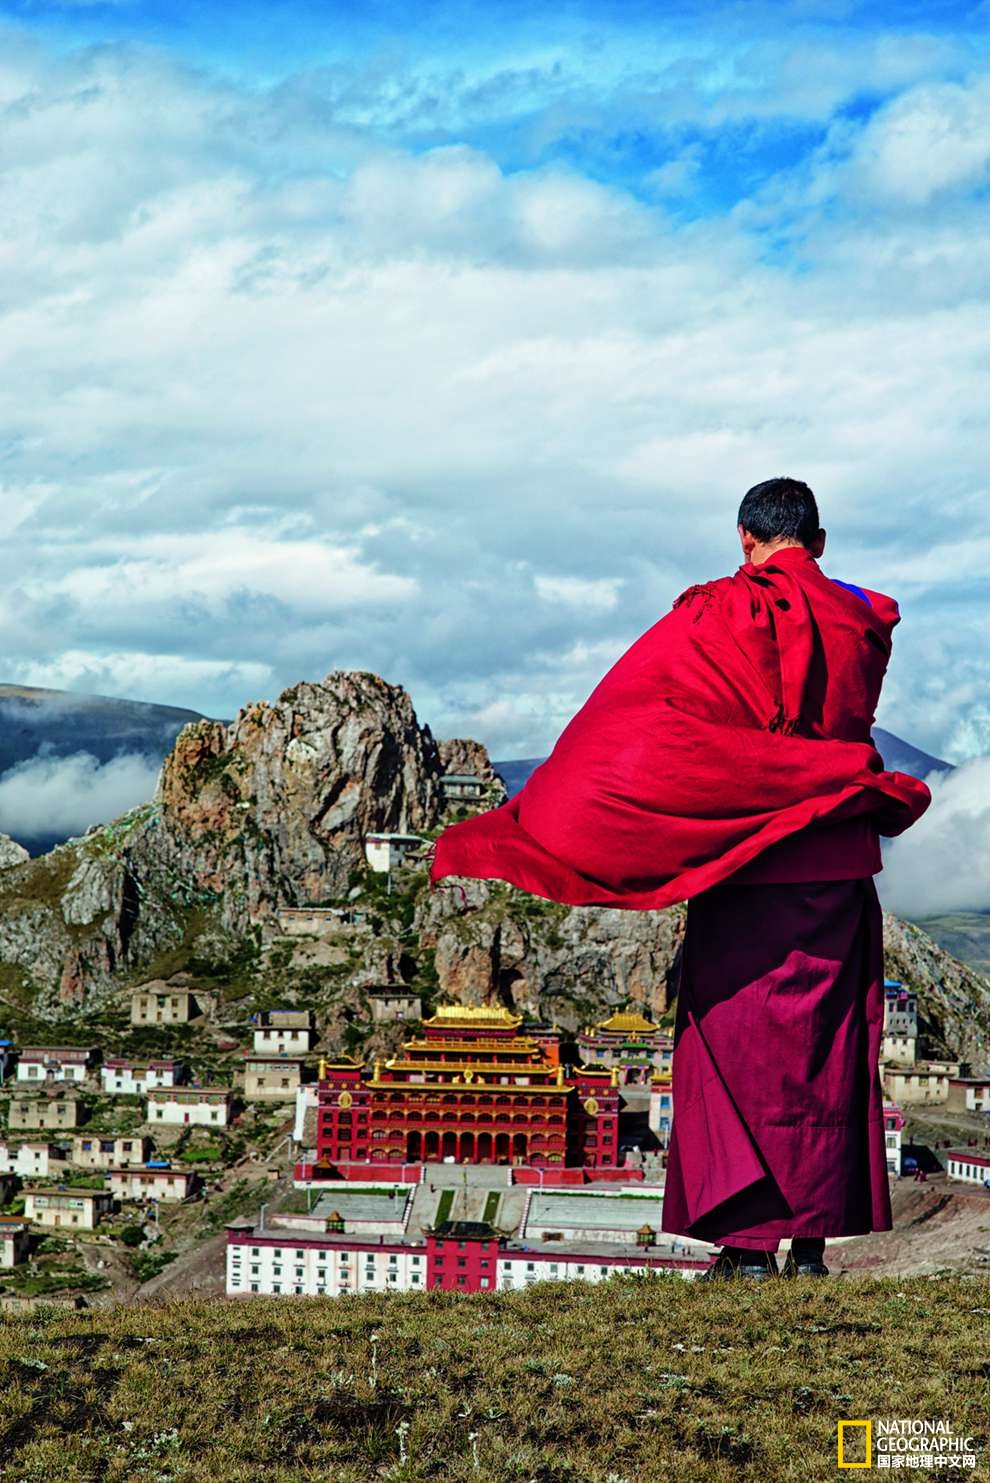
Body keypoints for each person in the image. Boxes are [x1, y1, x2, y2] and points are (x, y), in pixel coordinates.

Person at [429, 477, 931, 1280]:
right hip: (835, 870)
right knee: (824, 1055)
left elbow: (636, 720)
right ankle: (808, 1248)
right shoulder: (861, 622)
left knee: (735, 1050)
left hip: (744, 866)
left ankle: (748, 1246)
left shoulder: (715, 613)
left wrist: (560, 814)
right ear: (822, 541)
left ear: (744, 539)